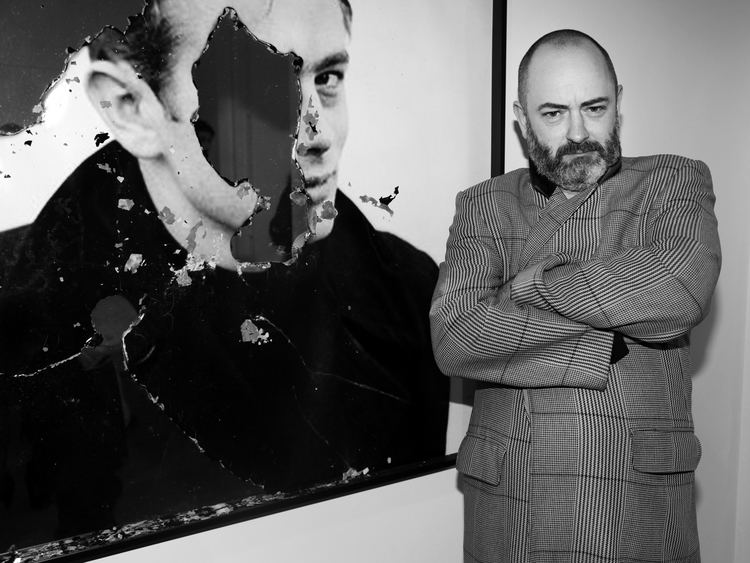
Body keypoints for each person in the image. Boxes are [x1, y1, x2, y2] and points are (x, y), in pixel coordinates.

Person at [0, 0, 448, 536]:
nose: (320, 133)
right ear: (130, 107)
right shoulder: (22, 332)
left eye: (327, 77)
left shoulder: (412, 291)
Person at [430, 29, 720, 563]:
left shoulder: (672, 180)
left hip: (637, 498)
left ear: (618, 102)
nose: (579, 132)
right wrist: (599, 341)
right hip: (512, 499)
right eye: (553, 113)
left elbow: (678, 290)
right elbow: (455, 336)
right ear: (522, 119)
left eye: (594, 107)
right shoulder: (484, 205)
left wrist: (530, 286)